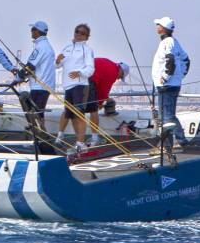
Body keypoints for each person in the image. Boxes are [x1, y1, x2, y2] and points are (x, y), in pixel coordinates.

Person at [54, 23, 96, 153]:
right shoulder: (66, 48)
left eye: (82, 33)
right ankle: (61, 137)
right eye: (77, 32)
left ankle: (80, 143)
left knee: (79, 114)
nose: (79, 34)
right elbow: (57, 66)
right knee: (68, 113)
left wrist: (80, 73)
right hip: (68, 86)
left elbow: (91, 68)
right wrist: (57, 61)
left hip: (80, 85)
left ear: (87, 37)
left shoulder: (87, 50)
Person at [11, 21, 57, 136]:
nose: (31, 32)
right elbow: (34, 69)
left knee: (35, 114)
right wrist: (23, 78)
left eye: (32, 30)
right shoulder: (47, 46)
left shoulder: (40, 47)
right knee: (37, 113)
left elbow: (30, 67)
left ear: (37, 31)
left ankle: (40, 138)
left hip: (40, 87)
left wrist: (17, 78)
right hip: (44, 85)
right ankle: (39, 136)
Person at [152, 16, 191, 148]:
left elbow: (170, 61)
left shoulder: (167, 43)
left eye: (158, 25)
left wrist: (165, 78)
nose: (157, 27)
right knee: (169, 116)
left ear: (163, 28)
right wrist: (180, 76)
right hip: (172, 84)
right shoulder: (175, 42)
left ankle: (167, 146)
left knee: (166, 119)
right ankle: (181, 140)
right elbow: (186, 60)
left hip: (166, 86)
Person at [86, 57, 129, 146]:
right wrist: (101, 103)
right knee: (94, 110)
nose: (118, 79)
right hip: (88, 79)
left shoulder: (109, 63)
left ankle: (61, 136)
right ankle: (95, 138)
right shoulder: (113, 73)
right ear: (120, 71)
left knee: (74, 108)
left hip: (79, 75)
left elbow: (99, 85)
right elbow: (104, 91)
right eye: (121, 76)